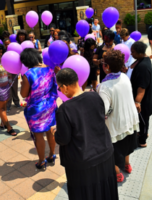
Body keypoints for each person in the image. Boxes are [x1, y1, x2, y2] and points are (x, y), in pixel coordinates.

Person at [55, 68, 118, 200]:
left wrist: (55, 132)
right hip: (105, 152)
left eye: (59, 88)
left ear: (65, 87)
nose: (60, 91)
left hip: (82, 160)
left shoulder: (65, 109)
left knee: (85, 193)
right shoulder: (95, 96)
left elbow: (64, 139)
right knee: (104, 189)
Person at [97, 49, 139, 182]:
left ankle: (117, 173)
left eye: (103, 63)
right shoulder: (125, 77)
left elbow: (104, 111)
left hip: (116, 123)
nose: (102, 65)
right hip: (129, 118)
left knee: (115, 150)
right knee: (127, 144)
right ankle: (127, 165)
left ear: (107, 67)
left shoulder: (104, 86)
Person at [21, 48, 58, 169]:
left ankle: (42, 161)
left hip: (36, 109)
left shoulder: (28, 74)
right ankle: (52, 155)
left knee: (38, 136)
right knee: (50, 131)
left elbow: (23, 94)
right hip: (50, 105)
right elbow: (54, 87)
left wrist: (22, 85)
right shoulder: (49, 69)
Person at [130, 41, 152, 147]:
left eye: (133, 52)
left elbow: (142, 87)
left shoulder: (143, 67)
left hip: (144, 101)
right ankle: (143, 133)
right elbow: (132, 66)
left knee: (143, 120)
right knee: (142, 120)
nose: (131, 54)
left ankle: (142, 141)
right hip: (144, 99)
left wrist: (137, 102)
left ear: (139, 52)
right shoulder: (144, 59)